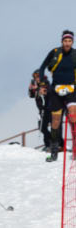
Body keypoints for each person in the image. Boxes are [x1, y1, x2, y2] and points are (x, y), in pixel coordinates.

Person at [35, 29, 76, 160]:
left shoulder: (75, 54)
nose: (67, 43)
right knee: (56, 120)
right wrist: (42, 84)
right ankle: (54, 150)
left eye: (69, 41)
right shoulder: (54, 52)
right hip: (56, 90)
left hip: (71, 89)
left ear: (72, 42)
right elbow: (42, 67)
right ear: (62, 41)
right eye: (65, 41)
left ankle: (75, 147)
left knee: (73, 115)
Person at [28, 73, 52, 151]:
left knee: (52, 126)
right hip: (42, 110)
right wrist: (31, 89)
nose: (37, 78)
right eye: (35, 77)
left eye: (38, 76)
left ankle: (54, 143)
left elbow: (46, 91)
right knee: (42, 127)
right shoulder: (36, 86)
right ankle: (48, 144)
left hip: (49, 109)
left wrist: (38, 88)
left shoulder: (46, 83)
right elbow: (31, 95)